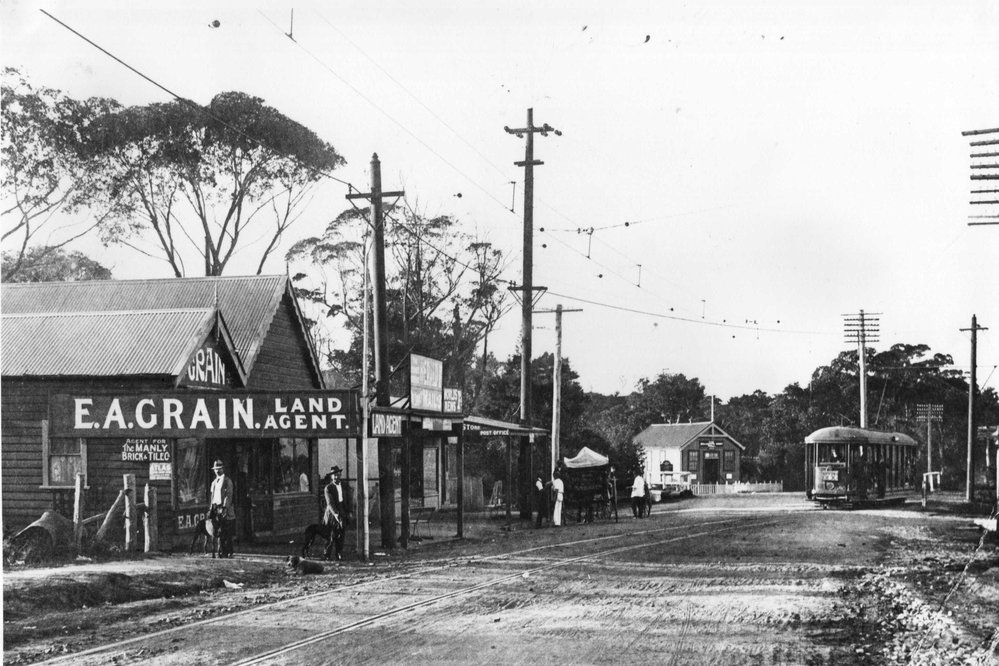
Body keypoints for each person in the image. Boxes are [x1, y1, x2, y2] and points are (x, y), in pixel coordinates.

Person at [322, 465, 351, 560]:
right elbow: (330, 503)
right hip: (331, 513)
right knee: (331, 534)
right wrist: (335, 514)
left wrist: (349, 511)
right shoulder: (328, 488)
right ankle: (327, 554)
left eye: (338, 475)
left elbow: (349, 499)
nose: (336, 477)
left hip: (342, 510)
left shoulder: (345, 486)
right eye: (334, 475)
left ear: (340, 475)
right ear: (331, 477)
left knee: (341, 534)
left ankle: (339, 553)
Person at [209, 459, 236, 557]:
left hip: (225, 510)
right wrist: (211, 508)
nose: (217, 471)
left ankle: (229, 552)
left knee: (227, 532)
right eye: (216, 469)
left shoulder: (227, 481)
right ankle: (221, 551)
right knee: (219, 531)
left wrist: (224, 508)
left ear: (223, 469)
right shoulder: (214, 482)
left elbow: (228, 496)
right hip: (216, 509)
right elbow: (212, 496)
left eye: (219, 469)